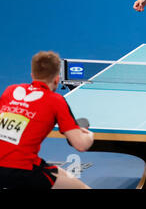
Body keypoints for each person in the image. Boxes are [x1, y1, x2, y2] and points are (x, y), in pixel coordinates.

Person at [0, 51, 94, 189]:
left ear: (32, 75)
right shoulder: (55, 101)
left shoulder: (10, 91)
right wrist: (89, 136)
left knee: (57, 173)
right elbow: (80, 145)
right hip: (22, 171)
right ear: (57, 79)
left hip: (19, 165)